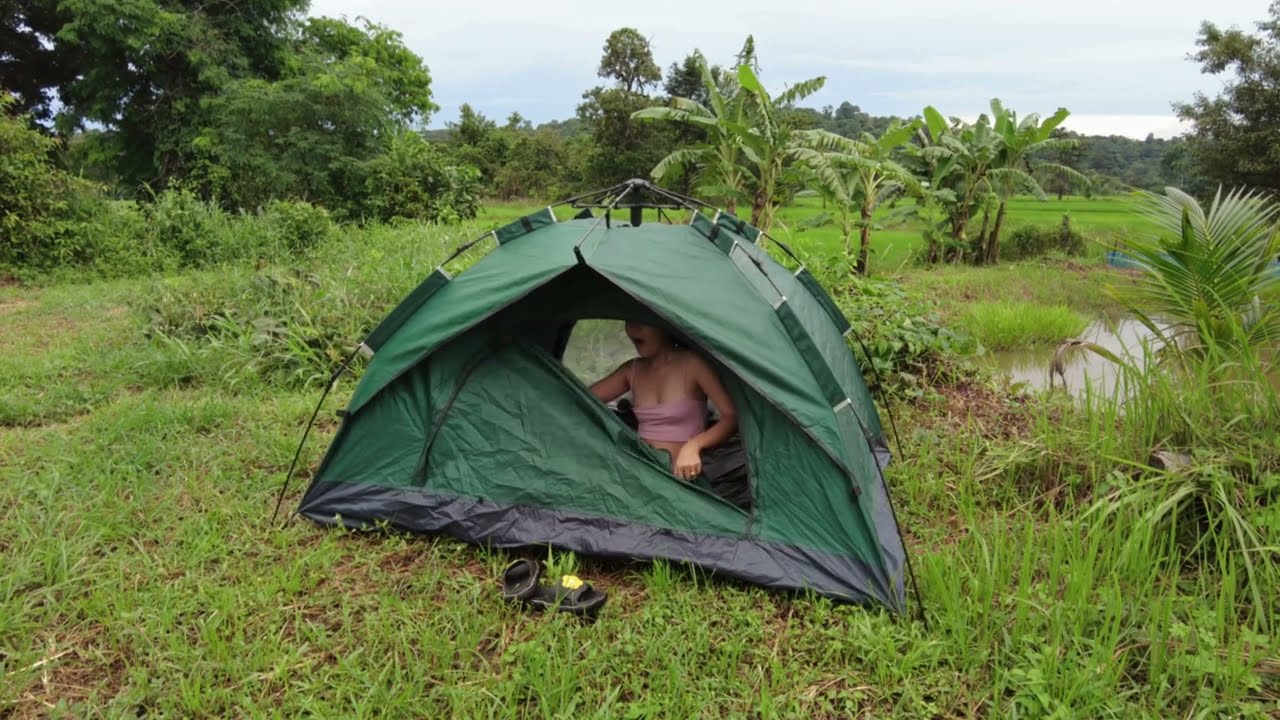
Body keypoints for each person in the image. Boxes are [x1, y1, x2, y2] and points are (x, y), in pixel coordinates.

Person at [590, 321, 738, 481]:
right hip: (642, 475)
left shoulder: (692, 364)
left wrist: (694, 445)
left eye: (642, 321)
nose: (634, 328)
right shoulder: (632, 370)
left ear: (665, 325)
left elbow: (731, 417)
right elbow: (578, 396)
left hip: (682, 479)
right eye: (628, 320)